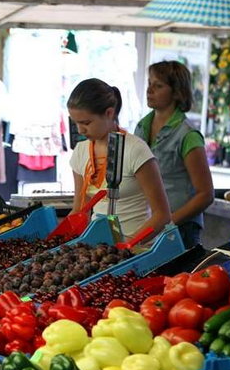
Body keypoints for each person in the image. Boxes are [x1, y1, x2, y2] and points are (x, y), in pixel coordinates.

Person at [67, 78, 171, 239]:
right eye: (75, 123)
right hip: (97, 249)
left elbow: (162, 215)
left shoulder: (136, 150)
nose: (80, 130)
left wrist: (127, 248)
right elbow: (80, 210)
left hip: (138, 249)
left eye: (86, 122)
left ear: (109, 113)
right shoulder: (80, 152)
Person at [135, 61, 214, 249]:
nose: (149, 90)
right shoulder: (141, 127)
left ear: (177, 92)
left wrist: (168, 222)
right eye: (149, 83)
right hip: (147, 225)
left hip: (180, 230)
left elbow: (205, 194)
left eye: (158, 85)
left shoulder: (188, 135)